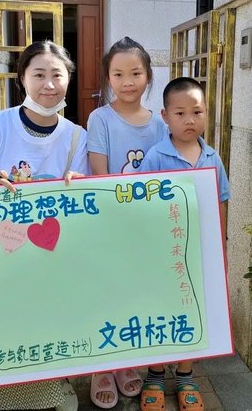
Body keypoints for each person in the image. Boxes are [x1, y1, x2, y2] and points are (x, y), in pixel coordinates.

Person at [0, 40, 87, 411]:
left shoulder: (77, 136)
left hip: (49, 254)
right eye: (38, 74)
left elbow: (83, 207)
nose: (49, 85)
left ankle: (55, 389)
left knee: (48, 321)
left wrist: (79, 184)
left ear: (69, 79)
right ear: (22, 78)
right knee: (5, 323)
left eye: (57, 75)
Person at [136, 76, 229, 411]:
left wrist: (220, 249)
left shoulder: (212, 157)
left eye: (197, 111)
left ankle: (186, 374)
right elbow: (141, 205)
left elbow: (220, 202)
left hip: (199, 254)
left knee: (194, 311)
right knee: (161, 310)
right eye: (180, 113)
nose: (190, 120)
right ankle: (155, 374)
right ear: (165, 116)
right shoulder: (155, 157)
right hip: (164, 253)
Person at [86, 37, 167, 408]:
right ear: (108, 78)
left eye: (135, 73)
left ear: (148, 75)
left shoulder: (161, 123)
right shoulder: (100, 118)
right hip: (111, 223)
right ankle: (102, 367)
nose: (127, 81)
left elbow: (167, 174)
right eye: (118, 74)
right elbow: (99, 175)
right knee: (107, 291)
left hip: (147, 227)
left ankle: (127, 362)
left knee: (137, 294)